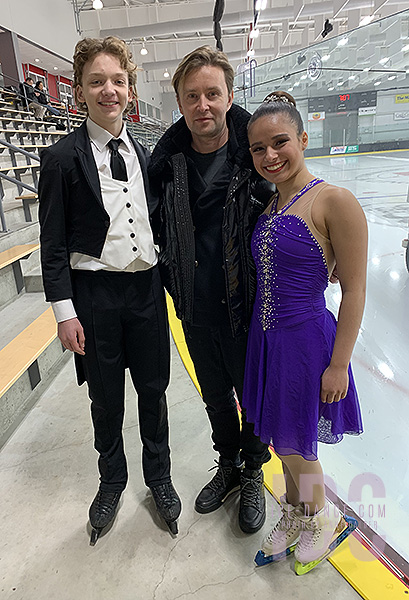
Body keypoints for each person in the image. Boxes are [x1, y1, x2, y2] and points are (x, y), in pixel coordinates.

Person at [38, 36, 181, 544]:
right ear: (79, 91)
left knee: (154, 391)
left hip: (146, 290)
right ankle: (112, 479)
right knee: (105, 399)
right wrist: (63, 312)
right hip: (94, 298)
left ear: (131, 88)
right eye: (96, 81)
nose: (109, 90)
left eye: (117, 80)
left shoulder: (146, 154)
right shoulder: (60, 159)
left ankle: (158, 477)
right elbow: (51, 244)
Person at [149, 46, 273, 534]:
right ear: (180, 102)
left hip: (249, 307)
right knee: (216, 397)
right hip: (195, 308)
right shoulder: (167, 165)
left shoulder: (255, 158)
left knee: (254, 397)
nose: (203, 105)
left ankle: (253, 472)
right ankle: (227, 464)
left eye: (212, 94)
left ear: (229, 96)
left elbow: (296, 206)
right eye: (192, 96)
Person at [243, 91, 366, 570]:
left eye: (280, 142)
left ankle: (326, 518)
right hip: (267, 341)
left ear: (303, 139)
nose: (270, 155)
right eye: (259, 148)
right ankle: (296, 514)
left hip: (306, 342)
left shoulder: (334, 200)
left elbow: (354, 290)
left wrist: (339, 364)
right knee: (281, 440)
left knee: (296, 444)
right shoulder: (272, 207)